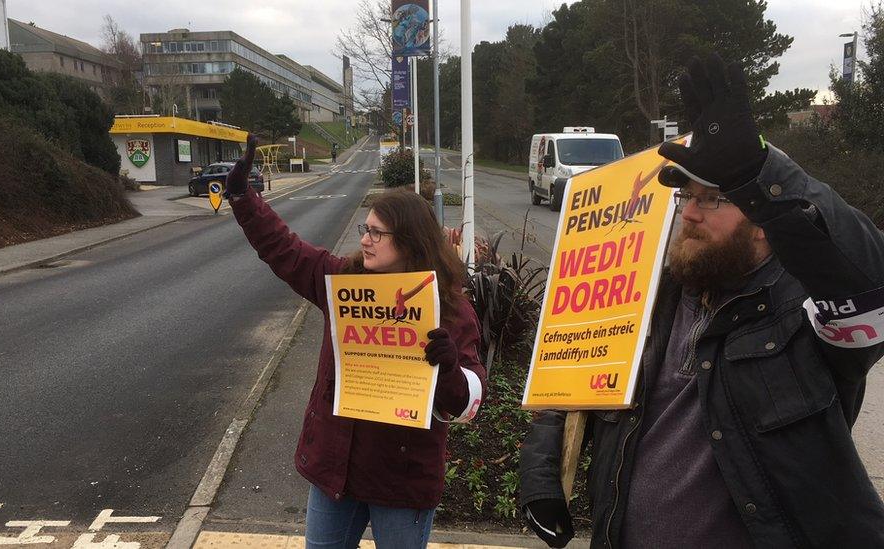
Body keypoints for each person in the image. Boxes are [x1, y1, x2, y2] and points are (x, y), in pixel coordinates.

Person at [520, 53, 884, 548]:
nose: (689, 214)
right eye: (685, 197)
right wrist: (543, 475)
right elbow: (573, 370)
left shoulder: (805, 309)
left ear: (762, 221)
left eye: (712, 199)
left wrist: (760, 174)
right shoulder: (648, 292)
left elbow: (870, 286)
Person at [224, 137, 486, 548]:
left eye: (377, 234)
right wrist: (243, 198)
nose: (365, 239)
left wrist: (450, 368)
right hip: (336, 473)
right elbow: (286, 251)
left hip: (403, 480)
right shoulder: (344, 283)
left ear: (411, 242)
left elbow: (470, 402)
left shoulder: (449, 310)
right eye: (366, 229)